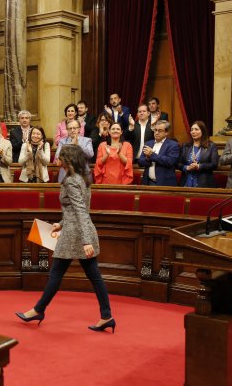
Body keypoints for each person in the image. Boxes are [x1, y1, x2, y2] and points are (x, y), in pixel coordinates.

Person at [16, 144, 115, 333]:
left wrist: (86, 241)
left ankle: (38, 310)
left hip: (74, 236)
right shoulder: (82, 178)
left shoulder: (71, 181)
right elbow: (77, 209)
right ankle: (106, 316)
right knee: (95, 278)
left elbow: (80, 211)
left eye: (60, 158)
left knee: (56, 275)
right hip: (76, 230)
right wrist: (61, 223)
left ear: (68, 161)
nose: (58, 161)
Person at [178, 121, 219, 188]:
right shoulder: (185, 146)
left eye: (196, 129)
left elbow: (214, 164)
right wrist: (186, 167)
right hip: (186, 183)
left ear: (203, 131)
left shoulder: (211, 146)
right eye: (192, 130)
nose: (193, 132)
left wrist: (199, 166)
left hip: (204, 183)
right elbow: (178, 163)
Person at [138, 120, 179, 186]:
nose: (156, 133)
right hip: (148, 182)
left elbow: (170, 161)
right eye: (155, 130)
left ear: (166, 132)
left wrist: (152, 155)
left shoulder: (173, 145)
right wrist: (148, 159)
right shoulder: (148, 143)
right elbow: (140, 162)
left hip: (165, 183)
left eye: (160, 131)